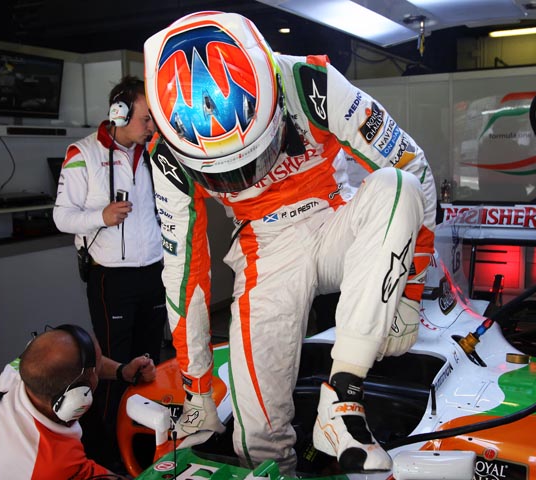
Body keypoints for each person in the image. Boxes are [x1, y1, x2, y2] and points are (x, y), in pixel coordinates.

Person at [142, 11, 437, 475]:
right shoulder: (167, 154)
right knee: (255, 436)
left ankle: (343, 397)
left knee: (396, 183)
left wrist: (410, 292)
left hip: (335, 223)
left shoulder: (311, 82)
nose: (246, 178)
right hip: (264, 254)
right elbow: (184, 273)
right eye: (225, 174)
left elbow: (413, 165)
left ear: (273, 91)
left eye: (252, 157)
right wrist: (196, 385)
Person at [52, 75, 166, 469]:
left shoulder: (154, 152)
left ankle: (146, 445)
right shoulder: (82, 153)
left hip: (154, 272)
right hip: (111, 278)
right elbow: (61, 217)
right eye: (146, 119)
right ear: (119, 112)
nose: (151, 127)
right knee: (115, 367)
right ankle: (107, 457)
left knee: (151, 363)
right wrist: (100, 216)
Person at [0, 324, 155, 480]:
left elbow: (74, 365)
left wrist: (121, 371)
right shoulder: (54, 465)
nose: (99, 370)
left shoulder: (14, 375)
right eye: (96, 370)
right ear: (77, 398)